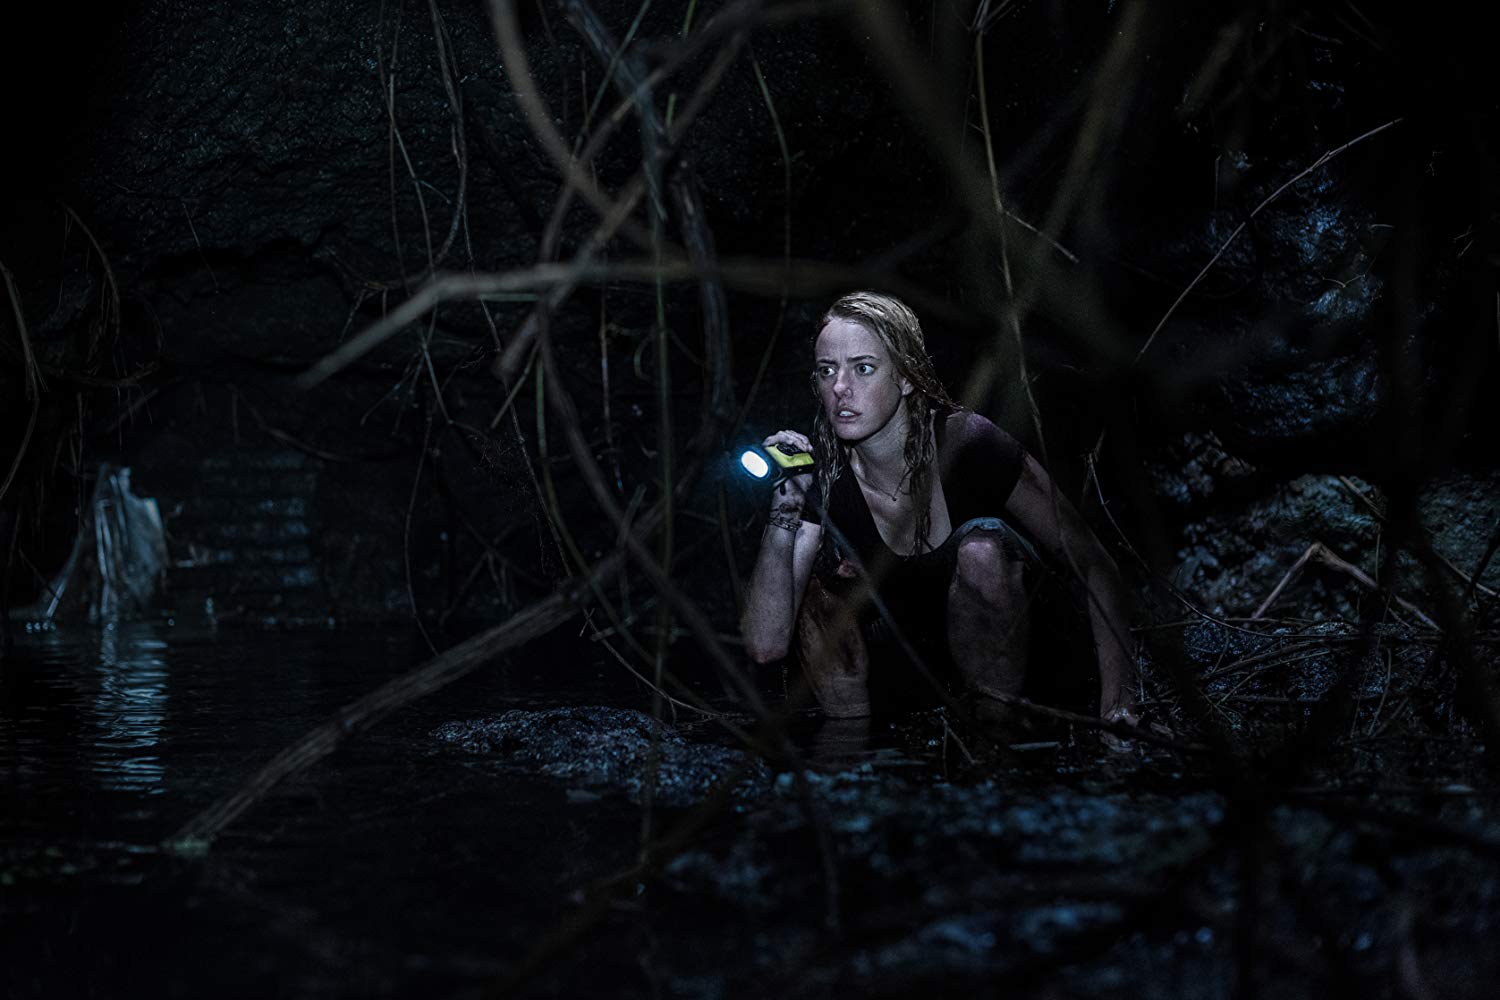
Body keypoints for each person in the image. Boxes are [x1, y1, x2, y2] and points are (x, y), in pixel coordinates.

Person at [740, 291, 1141, 734]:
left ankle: (996, 738)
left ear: (905, 377)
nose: (839, 388)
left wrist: (1118, 706)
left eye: (863, 368)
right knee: (818, 594)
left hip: (1031, 666)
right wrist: (786, 504)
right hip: (924, 669)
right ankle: (849, 751)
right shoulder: (825, 476)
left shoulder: (968, 443)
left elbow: (1094, 564)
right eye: (827, 370)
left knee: (981, 551)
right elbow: (765, 645)